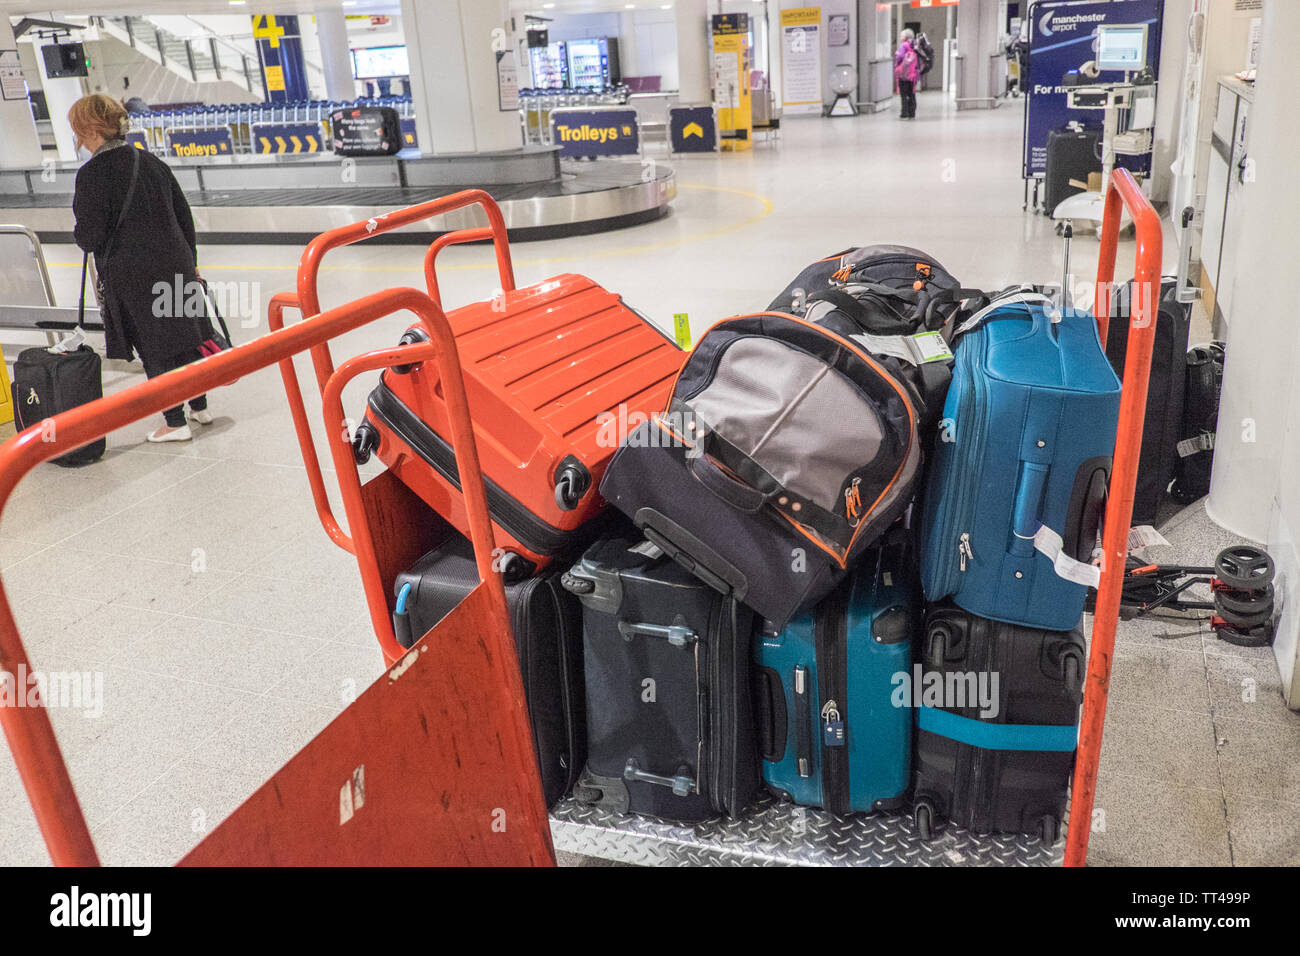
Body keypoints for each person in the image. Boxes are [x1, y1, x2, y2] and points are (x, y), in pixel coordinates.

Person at [69, 94, 215, 443]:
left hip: (134, 274)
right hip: (176, 262)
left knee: (156, 347)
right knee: (187, 338)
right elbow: (184, 217)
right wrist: (190, 262)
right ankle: (200, 406)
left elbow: (90, 237)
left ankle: (174, 422)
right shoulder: (150, 162)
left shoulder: (91, 175)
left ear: (90, 130)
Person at [895, 29, 920, 120]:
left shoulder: (903, 45)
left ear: (906, 37)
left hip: (904, 75)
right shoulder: (915, 45)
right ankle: (912, 113)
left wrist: (897, 57)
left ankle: (904, 113)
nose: (900, 37)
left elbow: (899, 57)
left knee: (904, 94)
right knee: (912, 94)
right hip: (913, 75)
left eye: (902, 36)